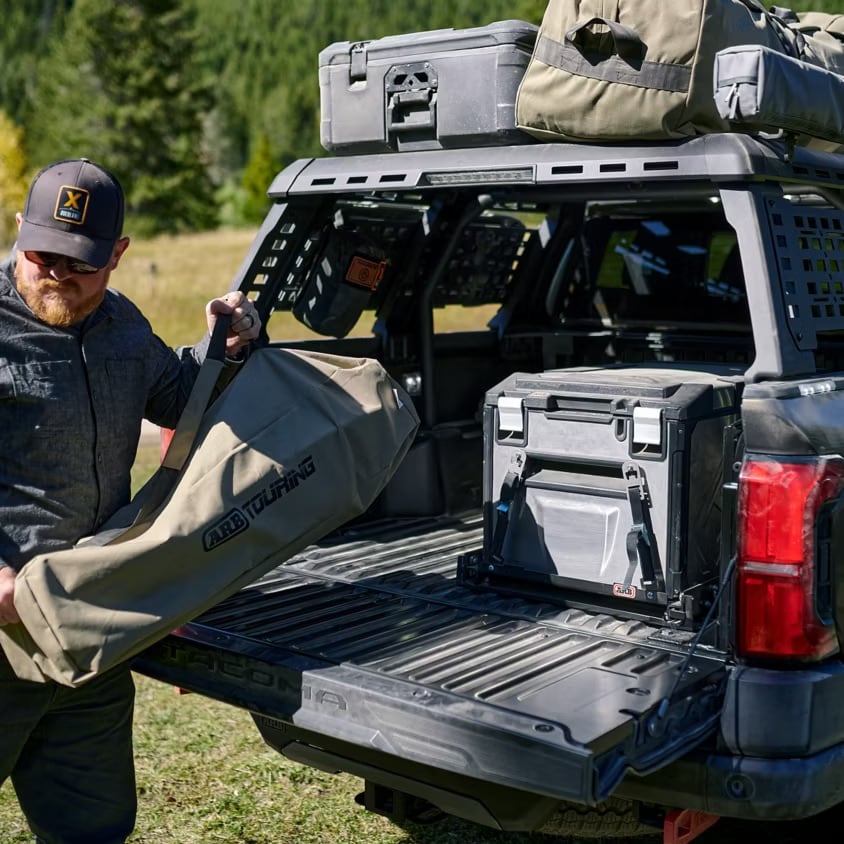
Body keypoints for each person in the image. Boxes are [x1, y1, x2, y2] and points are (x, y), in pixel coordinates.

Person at [0, 158, 262, 843]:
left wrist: (227, 348)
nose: (55, 272)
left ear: (117, 255)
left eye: (79, 262)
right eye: (41, 253)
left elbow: (180, 398)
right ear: (17, 232)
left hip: (89, 631)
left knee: (93, 826)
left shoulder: (122, 325)